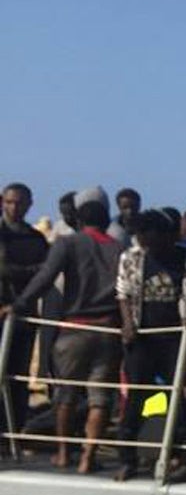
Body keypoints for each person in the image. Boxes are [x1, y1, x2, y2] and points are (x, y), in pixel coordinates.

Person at [10, 193, 122, 472]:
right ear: (106, 220)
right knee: (100, 397)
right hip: (109, 329)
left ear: (79, 219)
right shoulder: (120, 249)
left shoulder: (68, 243)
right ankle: (88, 456)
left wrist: (19, 305)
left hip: (74, 327)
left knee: (65, 395)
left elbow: (45, 278)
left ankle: (62, 452)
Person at [113, 210, 186, 482]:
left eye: (150, 237)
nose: (145, 243)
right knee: (136, 399)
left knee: (180, 398)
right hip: (142, 340)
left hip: (177, 340)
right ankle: (127, 459)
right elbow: (122, 293)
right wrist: (128, 323)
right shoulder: (131, 258)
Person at [0, 182, 50, 454]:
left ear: (29, 205)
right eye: (9, 202)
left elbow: (44, 273)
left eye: (19, 203)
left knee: (17, 379)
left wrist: (15, 273)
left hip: (22, 318)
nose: (14, 207)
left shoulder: (35, 239)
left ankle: (12, 434)